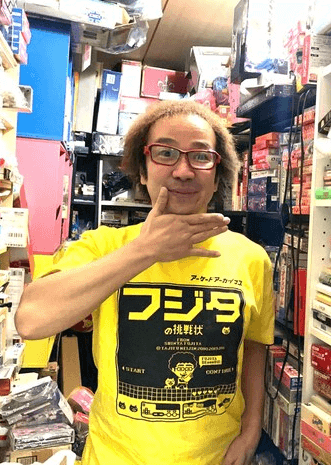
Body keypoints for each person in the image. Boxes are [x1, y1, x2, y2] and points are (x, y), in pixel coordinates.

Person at [15, 100, 275, 465]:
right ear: (142, 170)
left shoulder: (252, 259)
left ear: (217, 175)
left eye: (201, 157)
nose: (183, 171)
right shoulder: (105, 246)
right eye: (166, 153)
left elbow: (253, 349)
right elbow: (31, 320)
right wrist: (144, 251)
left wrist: (250, 432)